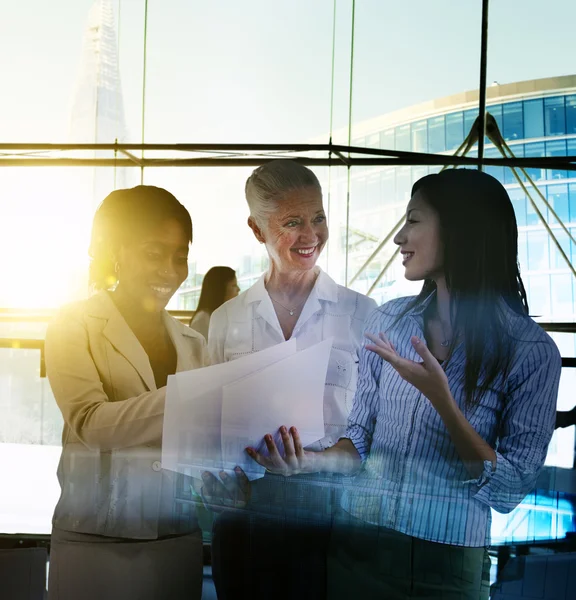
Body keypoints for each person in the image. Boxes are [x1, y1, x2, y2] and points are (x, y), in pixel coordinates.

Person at [249, 169, 562, 600]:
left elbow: (509, 490)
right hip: (355, 549)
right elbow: (359, 442)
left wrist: (443, 402)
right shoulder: (388, 322)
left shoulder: (531, 351)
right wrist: (305, 461)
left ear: (460, 230)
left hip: (446, 569)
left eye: (413, 221)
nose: (399, 237)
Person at [204, 159, 377, 600]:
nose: (311, 235)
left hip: (332, 518)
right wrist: (213, 476)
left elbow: (373, 437)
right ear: (258, 230)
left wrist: (314, 462)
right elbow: (208, 427)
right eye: (292, 223)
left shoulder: (361, 314)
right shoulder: (227, 319)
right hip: (244, 519)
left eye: (318, 218)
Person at [45, 186, 208, 600]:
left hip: (177, 537)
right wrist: (194, 398)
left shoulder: (193, 343)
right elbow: (90, 423)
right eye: (154, 253)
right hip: (96, 539)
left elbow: (201, 447)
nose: (170, 271)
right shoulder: (73, 324)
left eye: (180, 257)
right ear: (117, 252)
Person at [189, 266, 239, 340]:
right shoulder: (202, 319)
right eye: (233, 285)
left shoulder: (224, 316)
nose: (238, 289)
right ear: (220, 289)